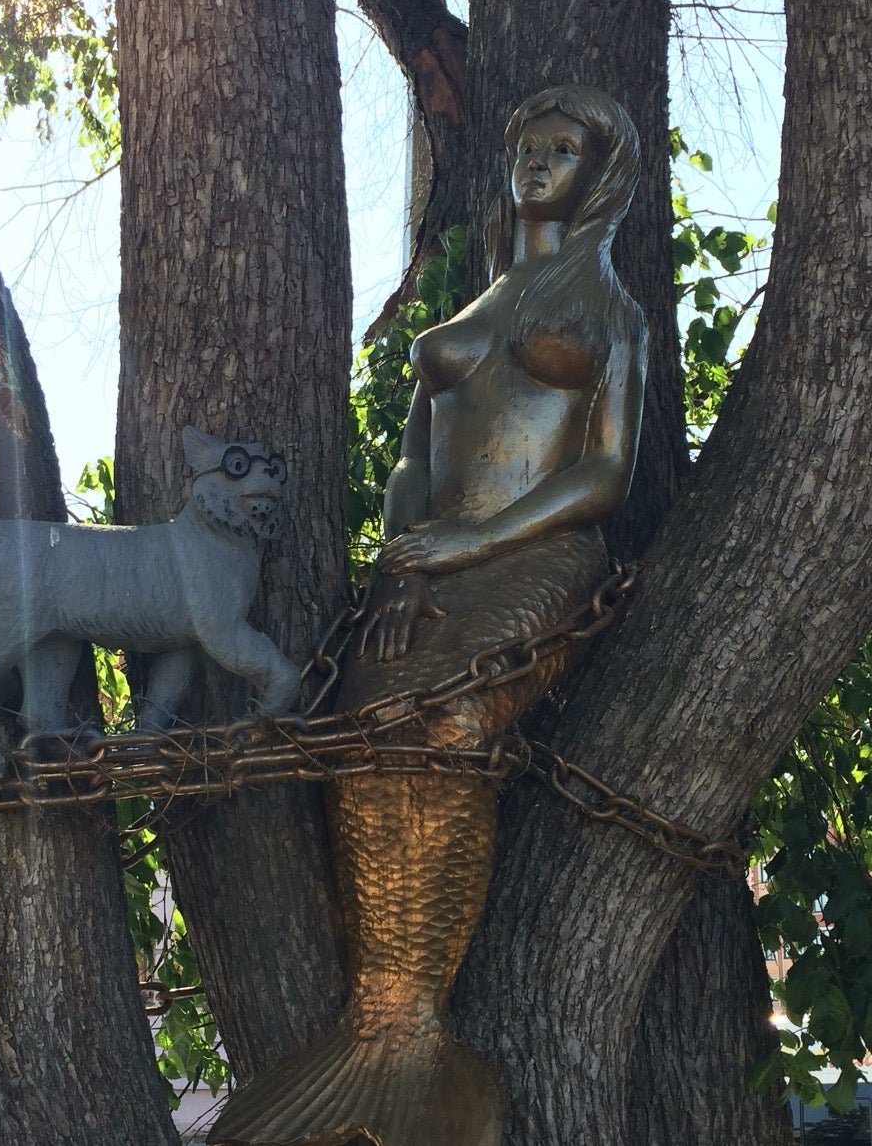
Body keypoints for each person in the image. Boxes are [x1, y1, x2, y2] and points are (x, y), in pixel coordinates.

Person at [211, 85, 647, 1146]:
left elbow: (605, 470)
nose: (538, 162)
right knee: (365, 729)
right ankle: (377, 1033)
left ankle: (417, 1035)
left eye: (563, 150)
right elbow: (415, 457)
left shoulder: (609, 312)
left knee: (445, 718)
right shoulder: (475, 306)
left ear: (600, 178)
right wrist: (403, 568)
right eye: (528, 144)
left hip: (540, 551)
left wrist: (477, 542)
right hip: (426, 562)